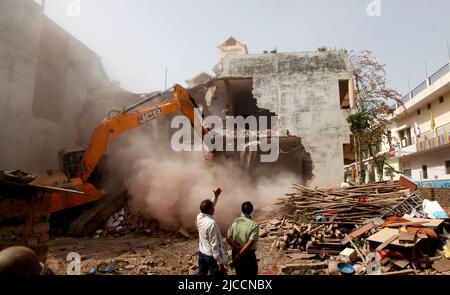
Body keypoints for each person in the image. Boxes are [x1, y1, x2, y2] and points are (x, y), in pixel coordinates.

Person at [196, 188, 227, 275]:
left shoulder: (199, 217)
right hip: (210, 256)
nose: (214, 208)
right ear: (210, 210)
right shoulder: (211, 224)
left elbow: (207, 207)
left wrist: (215, 197)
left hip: (202, 252)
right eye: (213, 208)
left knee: (202, 274)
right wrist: (220, 263)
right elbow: (214, 245)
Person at [226, 201, 259, 275]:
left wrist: (237, 249)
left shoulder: (234, 222)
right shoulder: (254, 225)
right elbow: (250, 243)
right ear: (251, 211)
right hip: (248, 255)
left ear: (242, 210)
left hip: (236, 252)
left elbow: (228, 238)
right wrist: (240, 254)